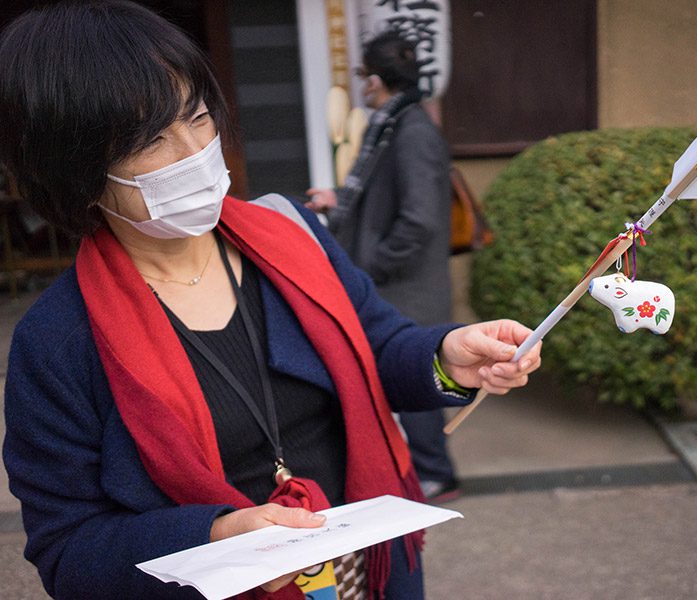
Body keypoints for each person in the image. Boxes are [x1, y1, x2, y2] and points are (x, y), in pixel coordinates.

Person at [0, 3, 541, 599]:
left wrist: (443, 353)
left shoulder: (290, 234)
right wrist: (214, 536)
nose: (194, 151)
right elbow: (68, 548)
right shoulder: (59, 342)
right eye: (152, 139)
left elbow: (377, 342)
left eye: (199, 117)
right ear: (75, 169)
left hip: (368, 573)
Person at [305, 31, 460, 502]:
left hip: (405, 284)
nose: (361, 87)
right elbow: (393, 198)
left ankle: (438, 474)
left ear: (376, 78)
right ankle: (432, 469)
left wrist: (369, 266)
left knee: (415, 376)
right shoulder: (394, 123)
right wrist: (338, 201)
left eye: (362, 75)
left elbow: (420, 219)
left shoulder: (411, 130)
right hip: (398, 280)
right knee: (410, 374)